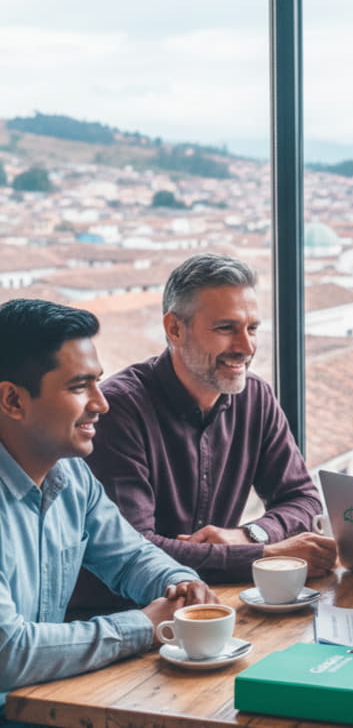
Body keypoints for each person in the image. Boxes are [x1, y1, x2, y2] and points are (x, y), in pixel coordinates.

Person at [0, 299, 217, 723]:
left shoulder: (72, 477)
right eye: (80, 386)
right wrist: (144, 625)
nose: (101, 404)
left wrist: (179, 583)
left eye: (98, 383)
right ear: (12, 400)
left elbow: (131, 556)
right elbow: (9, 653)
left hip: (46, 709)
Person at [84, 253, 335, 587]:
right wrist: (266, 557)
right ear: (175, 329)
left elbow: (303, 499)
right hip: (126, 615)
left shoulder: (255, 397)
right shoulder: (118, 410)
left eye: (252, 328)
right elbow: (135, 551)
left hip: (216, 602)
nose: (246, 347)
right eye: (226, 328)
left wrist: (250, 534)